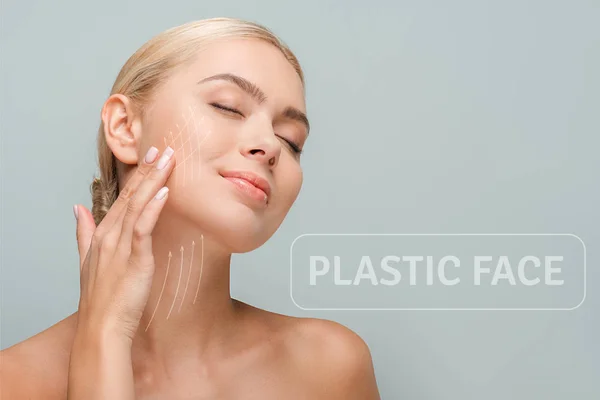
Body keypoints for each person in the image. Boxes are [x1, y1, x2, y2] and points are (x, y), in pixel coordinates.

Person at [0, 17, 381, 399]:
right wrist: (104, 339)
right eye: (228, 107)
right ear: (124, 127)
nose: (269, 145)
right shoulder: (13, 383)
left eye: (291, 140)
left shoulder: (327, 368)